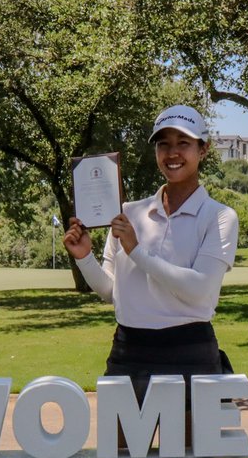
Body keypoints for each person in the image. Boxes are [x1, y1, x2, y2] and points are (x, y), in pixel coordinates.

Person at [63, 104, 238, 409]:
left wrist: (136, 251)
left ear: (204, 149)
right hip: (129, 352)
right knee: (122, 456)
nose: (172, 153)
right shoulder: (129, 213)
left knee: (187, 457)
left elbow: (199, 289)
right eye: (163, 144)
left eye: (183, 143)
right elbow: (110, 292)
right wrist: (84, 257)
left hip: (190, 352)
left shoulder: (220, 217)